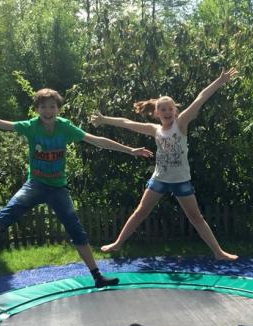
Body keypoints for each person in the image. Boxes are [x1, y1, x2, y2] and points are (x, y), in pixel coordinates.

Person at [0, 88, 153, 287]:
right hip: (35, 185)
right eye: (43, 107)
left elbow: (96, 140)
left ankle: (97, 276)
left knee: (75, 228)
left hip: (58, 189)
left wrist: (130, 150)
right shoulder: (31, 127)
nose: (48, 110)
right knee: (6, 213)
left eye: (52, 106)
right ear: (37, 109)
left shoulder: (65, 127)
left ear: (58, 109)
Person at [91, 68, 239, 260]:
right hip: (159, 179)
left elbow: (200, 98)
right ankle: (118, 243)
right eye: (163, 109)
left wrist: (219, 81)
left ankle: (218, 253)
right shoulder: (155, 129)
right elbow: (126, 122)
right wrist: (104, 120)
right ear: (156, 113)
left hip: (181, 181)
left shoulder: (182, 123)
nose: (167, 112)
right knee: (140, 212)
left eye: (170, 108)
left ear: (175, 111)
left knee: (196, 218)